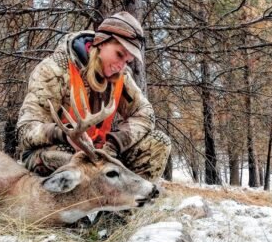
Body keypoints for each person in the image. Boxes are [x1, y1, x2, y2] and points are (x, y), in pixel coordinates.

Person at [17, 11, 171, 181]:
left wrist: (114, 144)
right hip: (58, 151)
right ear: (101, 42)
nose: (121, 66)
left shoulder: (121, 77)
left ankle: (128, 198)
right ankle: (77, 198)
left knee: (159, 142)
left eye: (127, 61)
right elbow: (25, 130)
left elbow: (145, 113)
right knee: (72, 158)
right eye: (119, 54)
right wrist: (65, 134)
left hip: (100, 153)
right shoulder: (53, 70)